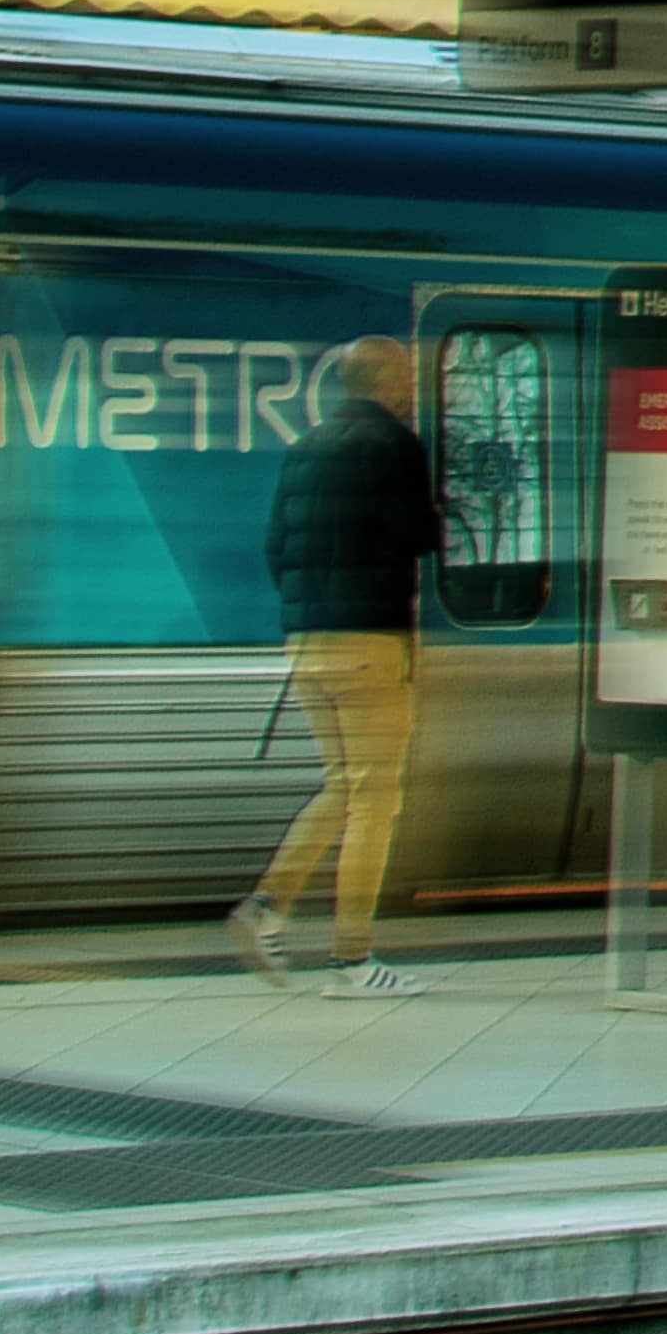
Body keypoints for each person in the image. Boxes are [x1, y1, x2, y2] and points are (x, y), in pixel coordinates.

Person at [230, 336, 435, 996]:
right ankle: (351, 959)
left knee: (345, 784)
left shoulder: (305, 448)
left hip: (307, 644)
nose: (412, 384)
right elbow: (422, 538)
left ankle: (268, 906)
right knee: (377, 797)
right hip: (370, 643)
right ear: (385, 381)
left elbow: (274, 548)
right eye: (405, 372)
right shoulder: (395, 446)